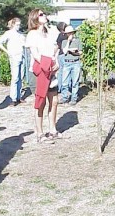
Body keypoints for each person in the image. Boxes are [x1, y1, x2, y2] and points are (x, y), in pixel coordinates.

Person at [25, 9, 60, 143]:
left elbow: (54, 51)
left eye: (44, 13)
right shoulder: (32, 35)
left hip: (51, 70)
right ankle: (40, 133)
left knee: (54, 101)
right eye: (41, 14)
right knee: (41, 102)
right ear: (35, 18)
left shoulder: (49, 33)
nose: (44, 16)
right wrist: (48, 65)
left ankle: (53, 130)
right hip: (39, 71)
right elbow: (36, 54)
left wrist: (55, 63)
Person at [0, 18, 26, 106]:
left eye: (19, 25)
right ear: (13, 25)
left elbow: (24, 44)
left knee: (21, 76)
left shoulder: (20, 34)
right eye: (17, 25)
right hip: (14, 56)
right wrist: (7, 51)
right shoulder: (8, 33)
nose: (18, 26)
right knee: (15, 77)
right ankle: (13, 98)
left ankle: (18, 96)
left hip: (21, 56)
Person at [59, 25, 82, 106]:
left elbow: (80, 52)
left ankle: (74, 98)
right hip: (67, 62)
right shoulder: (64, 42)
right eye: (68, 33)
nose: (70, 34)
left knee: (75, 82)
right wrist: (68, 42)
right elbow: (64, 51)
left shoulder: (78, 41)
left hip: (76, 62)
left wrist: (74, 52)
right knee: (65, 82)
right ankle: (64, 97)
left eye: (71, 33)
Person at [55, 22, 68, 94]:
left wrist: (53, 54)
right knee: (65, 73)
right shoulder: (68, 35)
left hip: (60, 54)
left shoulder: (60, 35)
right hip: (65, 55)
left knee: (60, 72)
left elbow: (57, 45)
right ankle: (64, 88)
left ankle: (60, 88)